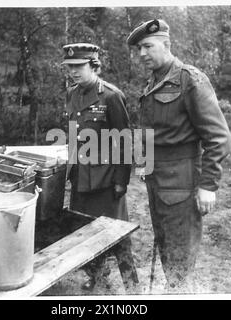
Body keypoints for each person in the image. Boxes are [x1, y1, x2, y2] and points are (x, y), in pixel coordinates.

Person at [127, 19, 231, 293]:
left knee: (180, 255)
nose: (142, 54)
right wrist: (144, 161)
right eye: (139, 48)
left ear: (166, 44)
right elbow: (152, 130)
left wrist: (208, 185)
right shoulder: (154, 82)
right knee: (166, 248)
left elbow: (219, 137)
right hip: (157, 182)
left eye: (148, 46)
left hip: (181, 183)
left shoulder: (190, 80)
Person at [61, 43, 138, 291]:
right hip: (81, 181)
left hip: (107, 182)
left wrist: (120, 182)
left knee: (118, 238)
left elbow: (125, 142)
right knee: (84, 234)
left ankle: (132, 287)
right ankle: (96, 279)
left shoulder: (112, 96)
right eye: (69, 67)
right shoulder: (72, 94)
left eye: (79, 66)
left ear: (94, 65)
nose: (73, 71)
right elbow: (74, 135)